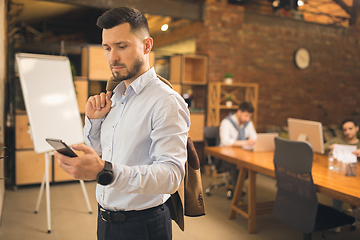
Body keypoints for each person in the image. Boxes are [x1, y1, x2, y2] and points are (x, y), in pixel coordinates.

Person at [55, 7, 190, 240]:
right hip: (105, 220)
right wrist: (94, 122)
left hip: (143, 225)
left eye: (122, 46)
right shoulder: (114, 96)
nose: (112, 57)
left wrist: (106, 171)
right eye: (107, 48)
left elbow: (171, 176)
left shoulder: (166, 101)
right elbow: (100, 151)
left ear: (147, 46)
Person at [324, 119, 360, 232]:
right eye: (345, 130)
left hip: (356, 177)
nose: (347, 132)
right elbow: (322, 146)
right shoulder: (337, 141)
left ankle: (353, 216)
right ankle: (336, 221)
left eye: (350, 129)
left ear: (357, 128)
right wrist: (330, 147)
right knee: (337, 192)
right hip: (339, 175)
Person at [219, 101, 257, 197]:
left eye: (249, 117)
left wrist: (251, 142)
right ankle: (237, 196)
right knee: (237, 166)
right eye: (246, 116)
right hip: (225, 156)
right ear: (239, 112)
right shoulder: (226, 122)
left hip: (242, 154)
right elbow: (225, 141)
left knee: (252, 166)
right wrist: (246, 142)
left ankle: (237, 185)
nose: (247, 119)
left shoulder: (248, 123)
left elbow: (255, 137)